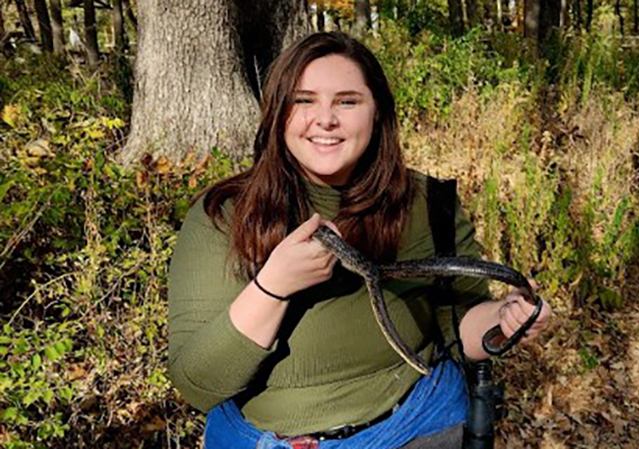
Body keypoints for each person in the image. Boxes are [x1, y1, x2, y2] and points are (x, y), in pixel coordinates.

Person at [167, 31, 552, 449]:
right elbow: (198, 385)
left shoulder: (428, 203)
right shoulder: (222, 215)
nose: (325, 119)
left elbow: (456, 332)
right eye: (303, 100)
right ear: (277, 112)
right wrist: (273, 287)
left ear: (377, 113)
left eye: (347, 101)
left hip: (418, 428)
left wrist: (505, 320)